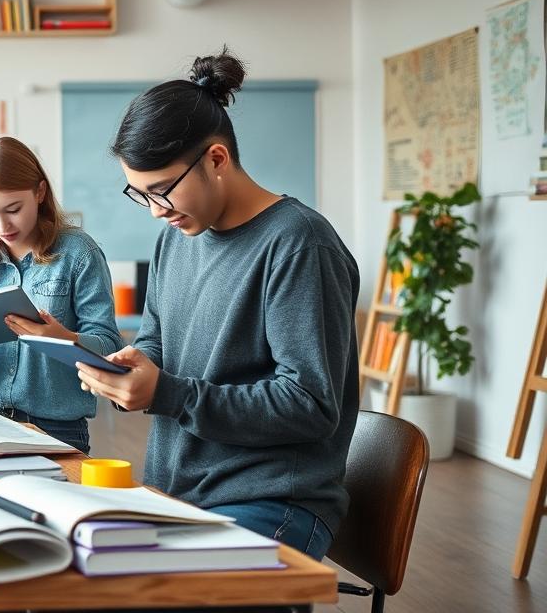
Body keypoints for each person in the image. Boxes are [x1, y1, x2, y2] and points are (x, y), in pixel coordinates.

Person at [76, 49, 359, 560]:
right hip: (179, 493)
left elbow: (311, 406)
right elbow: (157, 343)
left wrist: (169, 394)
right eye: (140, 194)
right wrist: (127, 370)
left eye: (163, 191)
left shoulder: (299, 244)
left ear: (216, 160)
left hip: (271, 500)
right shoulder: (175, 239)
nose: (156, 211)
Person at [0, 137, 121, 453]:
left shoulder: (78, 254)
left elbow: (109, 348)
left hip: (57, 431)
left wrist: (63, 337)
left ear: (39, 192)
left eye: (13, 209)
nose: (1, 225)